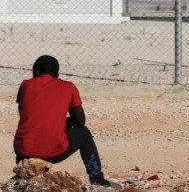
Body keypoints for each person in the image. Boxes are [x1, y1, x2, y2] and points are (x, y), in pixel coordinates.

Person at [13, 55, 117, 188]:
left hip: (23, 150)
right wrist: (66, 122)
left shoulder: (25, 85)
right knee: (84, 133)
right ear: (57, 74)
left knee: (29, 131)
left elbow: (27, 114)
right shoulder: (68, 87)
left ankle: (25, 171)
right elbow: (80, 121)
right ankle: (97, 178)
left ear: (36, 72)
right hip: (54, 153)